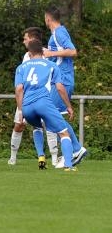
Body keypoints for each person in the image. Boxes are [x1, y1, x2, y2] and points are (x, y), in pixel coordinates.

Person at [15, 39, 77, 171]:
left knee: (37, 127)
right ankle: (69, 165)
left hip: (27, 106)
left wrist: (20, 111)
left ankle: (41, 157)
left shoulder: (21, 68)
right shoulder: (51, 65)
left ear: (29, 53)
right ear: (43, 52)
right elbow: (60, 88)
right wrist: (69, 106)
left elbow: (19, 89)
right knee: (64, 133)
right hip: (44, 103)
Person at [43, 6, 87, 167]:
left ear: (48, 18)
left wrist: (50, 54)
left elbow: (73, 51)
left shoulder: (59, 32)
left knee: (52, 116)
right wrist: (48, 53)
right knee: (54, 116)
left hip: (63, 80)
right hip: (60, 79)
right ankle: (72, 150)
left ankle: (75, 149)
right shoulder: (57, 33)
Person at [8, 27, 58, 168]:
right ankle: (13, 157)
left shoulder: (47, 54)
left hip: (44, 96)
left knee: (49, 125)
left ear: (33, 39)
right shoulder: (27, 56)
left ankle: (53, 158)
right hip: (27, 96)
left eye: (25, 38)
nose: (24, 41)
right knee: (19, 125)